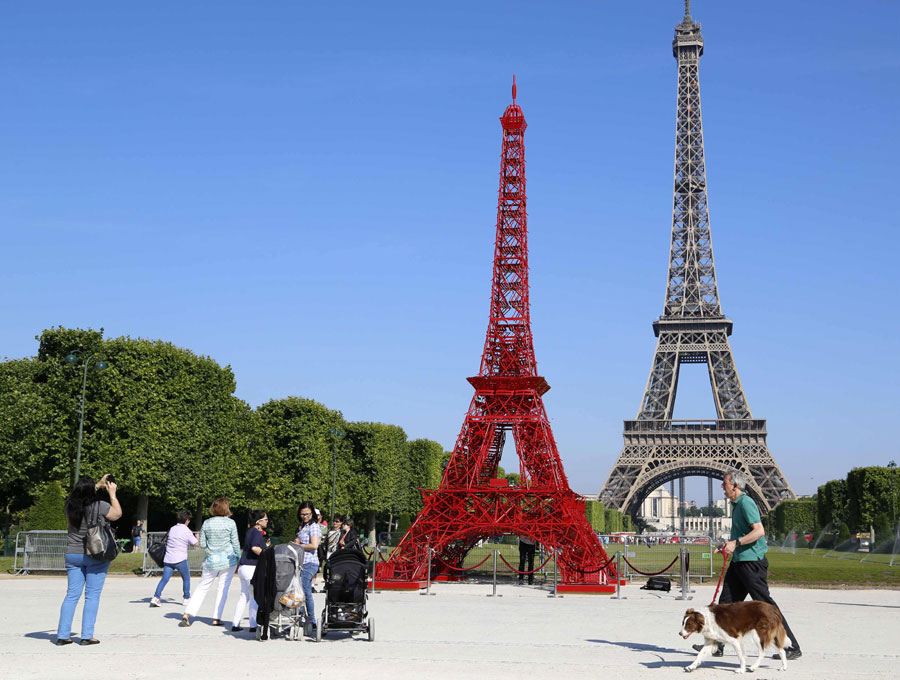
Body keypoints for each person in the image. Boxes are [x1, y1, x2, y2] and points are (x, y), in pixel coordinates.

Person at [692, 470, 802, 660]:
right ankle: (717, 645)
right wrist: (727, 545)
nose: (722, 486)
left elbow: (759, 531)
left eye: (725, 483)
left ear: (735, 485)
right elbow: (742, 534)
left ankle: (791, 646)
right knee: (724, 605)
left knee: (767, 606)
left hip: (751, 563)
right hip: (739, 561)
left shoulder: (746, 503)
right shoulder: (736, 504)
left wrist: (736, 543)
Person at [56, 474, 122, 646]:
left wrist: (97, 485)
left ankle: (63, 635)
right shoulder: (99, 505)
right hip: (95, 554)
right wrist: (112, 494)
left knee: (71, 595)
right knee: (92, 596)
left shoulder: (70, 506)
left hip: (73, 554)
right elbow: (117, 514)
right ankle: (86, 636)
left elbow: (80, 494)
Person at [180, 498, 240, 627]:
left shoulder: (207, 523)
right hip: (228, 560)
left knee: (202, 587)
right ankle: (216, 618)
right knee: (222, 588)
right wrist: (239, 558)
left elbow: (202, 544)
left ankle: (188, 613)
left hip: (211, 560)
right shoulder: (231, 523)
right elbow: (235, 543)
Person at [231, 509, 269, 633]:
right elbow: (254, 548)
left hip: (243, 568)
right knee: (254, 596)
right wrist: (266, 554)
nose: (267, 521)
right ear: (258, 521)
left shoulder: (250, 531)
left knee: (244, 596)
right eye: (265, 519)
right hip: (251, 568)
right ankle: (253, 625)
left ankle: (235, 623)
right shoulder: (257, 533)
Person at [150, 510, 198, 607]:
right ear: (187, 520)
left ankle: (156, 597)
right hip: (180, 559)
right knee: (186, 578)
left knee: (164, 579)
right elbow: (196, 543)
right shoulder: (187, 531)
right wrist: (197, 537)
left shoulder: (172, 528)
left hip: (168, 559)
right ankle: (186, 598)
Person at [295, 501, 321, 633]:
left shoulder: (314, 526)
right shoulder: (304, 526)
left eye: (308, 514)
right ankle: (298, 615)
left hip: (310, 562)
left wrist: (298, 546)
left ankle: (311, 619)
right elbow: (299, 541)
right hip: (301, 562)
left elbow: (314, 545)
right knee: (298, 590)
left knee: (305, 590)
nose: (305, 516)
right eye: (303, 514)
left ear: (312, 514)